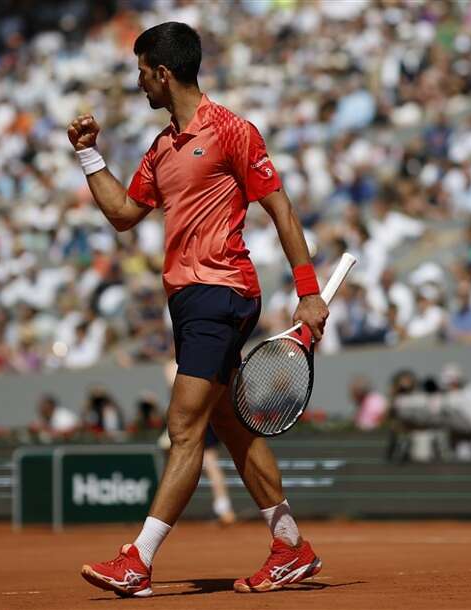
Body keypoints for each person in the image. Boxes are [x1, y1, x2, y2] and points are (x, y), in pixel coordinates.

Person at [71, 23, 328, 597]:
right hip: (187, 301)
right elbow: (122, 212)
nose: (138, 83)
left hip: (223, 291)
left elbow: (282, 211)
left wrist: (308, 291)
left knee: (184, 426)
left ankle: (138, 560)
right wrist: (88, 154)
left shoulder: (233, 131)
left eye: (141, 72)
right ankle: (290, 547)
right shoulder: (161, 148)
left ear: (163, 73)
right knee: (231, 425)